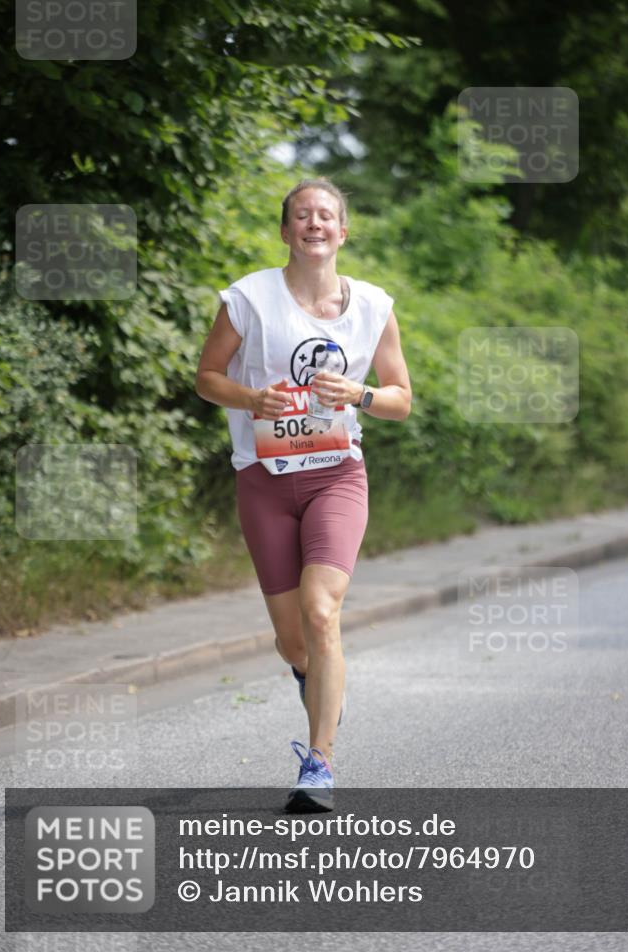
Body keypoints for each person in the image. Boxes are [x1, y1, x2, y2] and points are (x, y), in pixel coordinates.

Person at [195, 178, 412, 812]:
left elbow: (400, 398)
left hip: (336, 475)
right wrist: (250, 398)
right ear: (286, 231)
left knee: (322, 613)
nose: (314, 223)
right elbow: (207, 377)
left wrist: (360, 394)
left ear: (343, 231)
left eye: (326, 215)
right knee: (294, 642)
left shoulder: (374, 306)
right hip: (263, 480)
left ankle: (319, 765)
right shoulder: (248, 299)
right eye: (301, 215)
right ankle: (314, 680)